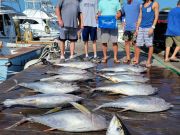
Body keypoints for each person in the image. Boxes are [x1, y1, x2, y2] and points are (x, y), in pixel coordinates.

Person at [136, 0, 159, 67]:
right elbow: (140, 17)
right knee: (138, 44)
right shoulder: (141, 5)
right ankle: (136, 60)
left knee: (149, 45)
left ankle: (148, 61)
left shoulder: (155, 3)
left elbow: (156, 16)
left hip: (149, 27)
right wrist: (137, 28)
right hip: (141, 27)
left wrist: (153, 27)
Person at [121, 0, 141, 64]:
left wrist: (139, 23)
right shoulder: (124, 3)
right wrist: (123, 21)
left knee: (136, 43)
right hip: (127, 27)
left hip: (136, 28)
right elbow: (122, 14)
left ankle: (136, 58)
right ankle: (128, 57)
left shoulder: (139, 2)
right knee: (126, 42)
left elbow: (142, 13)